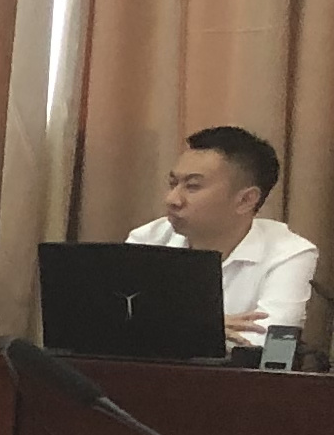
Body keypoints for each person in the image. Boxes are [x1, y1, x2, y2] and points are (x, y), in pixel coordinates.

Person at [127, 127, 314, 341]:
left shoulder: (289, 253)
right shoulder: (148, 239)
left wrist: (169, 327)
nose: (172, 199)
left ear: (245, 200)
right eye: (173, 184)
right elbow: (117, 328)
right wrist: (200, 327)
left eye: (192, 186)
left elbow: (269, 342)